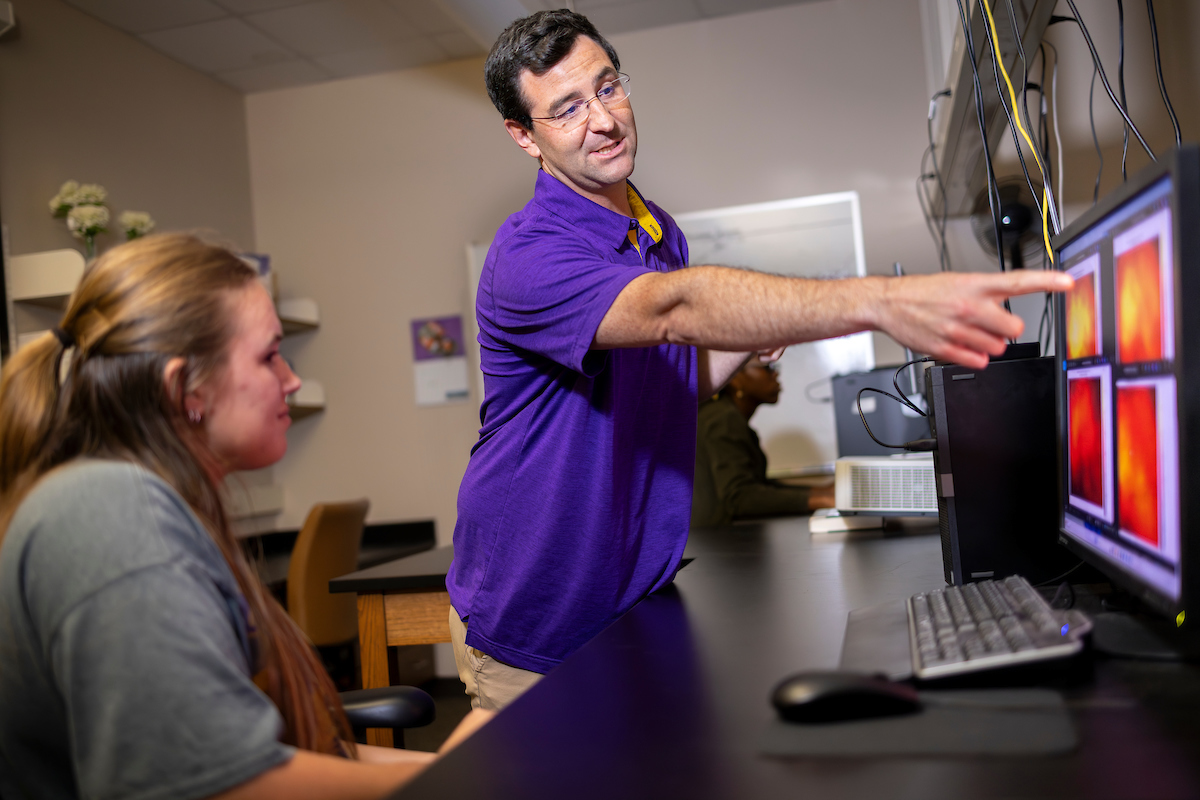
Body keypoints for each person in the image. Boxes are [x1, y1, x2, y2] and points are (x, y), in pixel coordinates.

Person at [448, 10, 1072, 710]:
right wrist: (882, 301)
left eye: (607, 87)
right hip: (541, 620)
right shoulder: (528, 255)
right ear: (524, 136)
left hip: (632, 601)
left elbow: (670, 386)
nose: (603, 120)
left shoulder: (655, 229)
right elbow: (673, 309)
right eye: (566, 109)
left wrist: (748, 335)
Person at [0, 234, 489, 800]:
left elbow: (284, 756)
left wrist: (456, 764)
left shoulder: (145, 501)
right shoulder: (111, 514)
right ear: (185, 388)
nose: (292, 378)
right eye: (268, 355)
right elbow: (213, 784)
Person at [692, 358, 834, 526]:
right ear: (736, 378)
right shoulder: (723, 420)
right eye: (767, 367)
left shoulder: (721, 415)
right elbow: (739, 497)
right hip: (715, 545)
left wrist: (821, 491)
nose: (776, 373)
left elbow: (757, 486)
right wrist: (821, 499)